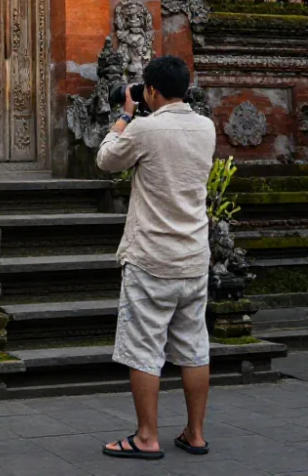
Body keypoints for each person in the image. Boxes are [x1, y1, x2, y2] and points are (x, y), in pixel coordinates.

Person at [96, 54, 216, 461]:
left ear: (150, 90)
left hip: (151, 257)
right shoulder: (207, 128)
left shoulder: (145, 129)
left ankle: (147, 437)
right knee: (194, 347)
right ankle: (195, 434)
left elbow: (106, 159)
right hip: (194, 256)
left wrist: (125, 116)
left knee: (144, 349)